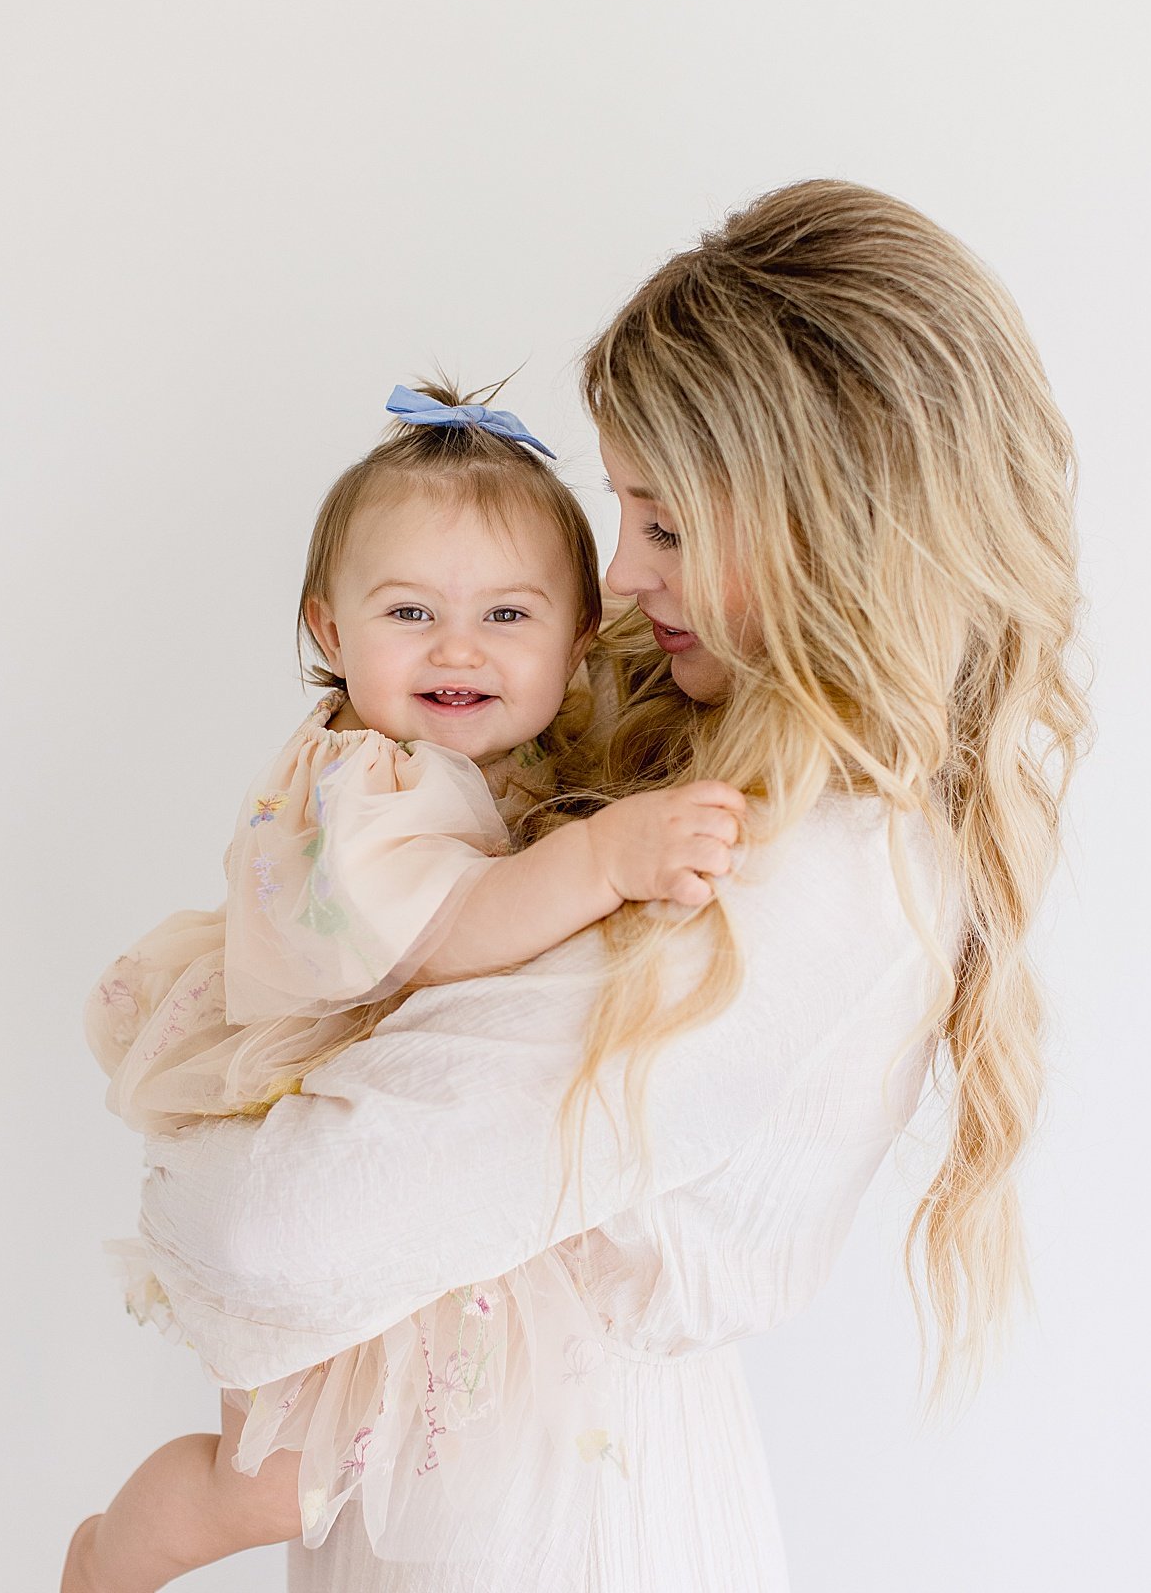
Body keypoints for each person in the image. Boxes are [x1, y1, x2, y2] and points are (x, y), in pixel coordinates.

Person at [67, 179, 1089, 1593]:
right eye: (624, 513)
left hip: (555, 1527)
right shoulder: (730, 792)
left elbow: (269, 1235)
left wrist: (201, 1135)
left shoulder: (805, 871)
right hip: (478, 1487)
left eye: (665, 526)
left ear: (824, 530)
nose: (618, 577)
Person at [67, 381, 746, 1591]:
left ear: (580, 639)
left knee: (371, 1461)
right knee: (273, 1477)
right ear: (329, 633)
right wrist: (606, 856)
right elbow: (448, 933)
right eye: (409, 612)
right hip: (291, 1142)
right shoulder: (365, 785)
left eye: (505, 614)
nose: (458, 648)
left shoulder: (491, 763)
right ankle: (106, 1562)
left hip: (391, 1180)